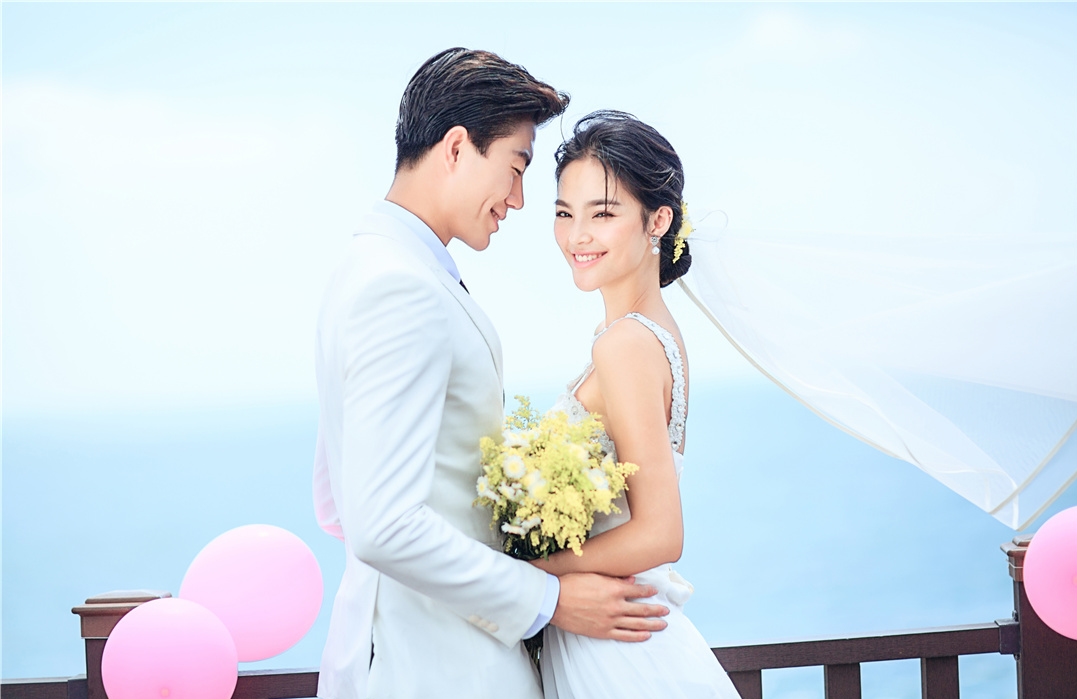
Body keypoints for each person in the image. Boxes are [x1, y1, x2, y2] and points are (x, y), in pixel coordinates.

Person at [311, 51, 670, 699]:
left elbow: (335, 499)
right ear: (456, 149)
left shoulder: (364, 268)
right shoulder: (401, 286)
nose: (518, 199)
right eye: (516, 167)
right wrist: (547, 597)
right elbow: (379, 525)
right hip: (436, 667)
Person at [532, 111, 741, 698]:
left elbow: (660, 533)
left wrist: (531, 574)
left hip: (616, 649)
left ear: (658, 219)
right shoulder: (652, 332)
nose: (577, 235)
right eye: (564, 213)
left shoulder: (624, 343)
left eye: (602, 214)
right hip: (624, 630)